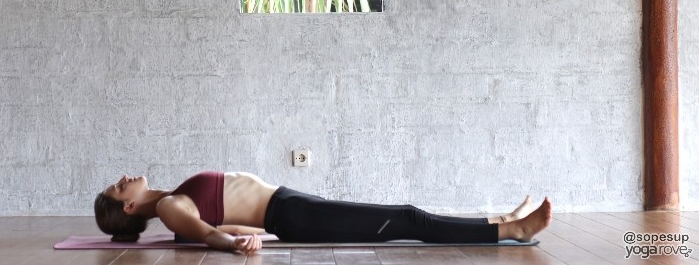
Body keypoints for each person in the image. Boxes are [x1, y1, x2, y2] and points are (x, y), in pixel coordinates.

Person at [94, 171, 552, 255]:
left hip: (290, 207)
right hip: (293, 215)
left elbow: (211, 224)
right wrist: (237, 245)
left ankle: (496, 221)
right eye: (119, 187)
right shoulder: (173, 206)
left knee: (407, 217)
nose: (125, 176)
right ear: (129, 206)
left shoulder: (174, 197)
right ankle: (509, 231)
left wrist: (235, 233)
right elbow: (207, 233)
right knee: (406, 219)